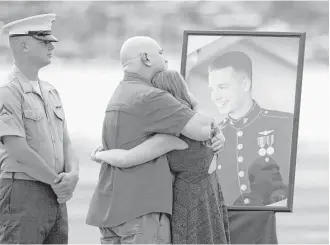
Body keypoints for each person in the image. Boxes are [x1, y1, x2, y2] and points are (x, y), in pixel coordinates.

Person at [85, 36, 224, 244]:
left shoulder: (121, 93)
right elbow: (203, 129)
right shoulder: (151, 97)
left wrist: (99, 154)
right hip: (141, 209)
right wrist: (194, 103)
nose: (166, 60)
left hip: (110, 207)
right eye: (161, 53)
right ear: (146, 58)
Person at [0, 14, 79, 244]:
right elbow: (18, 151)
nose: (51, 46)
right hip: (23, 190)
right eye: (44, 41)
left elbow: (66, 143)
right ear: (23, 45)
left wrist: (72, 176)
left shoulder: (51, 91)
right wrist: (59, 183)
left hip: (55, 193)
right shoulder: (8, 92)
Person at [208, 51, 294, 244]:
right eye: (211, 89)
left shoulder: (284, 123)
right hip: (226, 230)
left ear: (245, 84)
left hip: (263, 229)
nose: (215, 96)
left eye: (222, 87)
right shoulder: (213, 136)